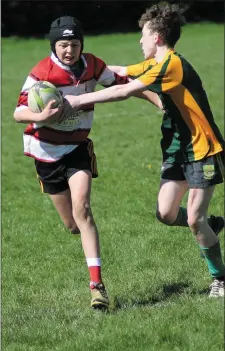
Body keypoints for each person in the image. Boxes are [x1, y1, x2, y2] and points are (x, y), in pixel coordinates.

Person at [64, 4, 225, 297]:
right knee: (164, 213)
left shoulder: (170, 64)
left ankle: (220, 278)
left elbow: (123, 90)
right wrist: (75, 70)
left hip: (204, 149)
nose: (140, 40)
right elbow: (120, 73)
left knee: (193, 219)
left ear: (158, 38)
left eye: (144, 35)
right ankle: (212, 226)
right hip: (178, 149)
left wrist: (77, 102)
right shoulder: (155, 63)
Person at [14, 16, 163, 310]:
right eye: (63, 45)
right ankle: (84, 245)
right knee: (73, 224)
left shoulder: (92, 65)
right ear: (54, 46)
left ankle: (97, 286)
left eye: (74, 44)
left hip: (77, 148)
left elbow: (126, 84)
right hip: (46, 152)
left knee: (83, 209)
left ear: (82, 44)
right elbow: (19, 113)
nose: (69, 50)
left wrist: (158, 102)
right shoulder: (41, 73)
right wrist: (41, 117)